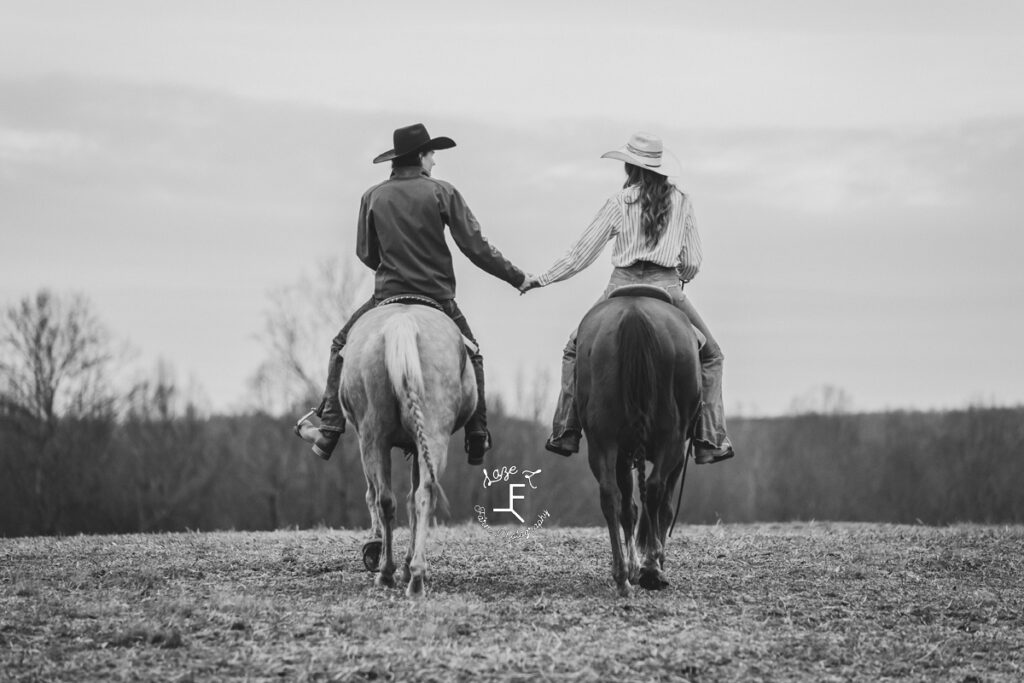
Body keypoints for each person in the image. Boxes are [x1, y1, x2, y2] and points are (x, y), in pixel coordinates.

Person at [296, 123, 529, 465]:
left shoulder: (372, 196)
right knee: (474, 355)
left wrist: (392, 264)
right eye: (432, 154)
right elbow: (475, 247)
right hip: (438, 298)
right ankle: (477, 435)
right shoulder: (442, 192)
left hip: (386, 296)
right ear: (420, 156)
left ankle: (329, 429)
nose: (435, 161)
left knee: (340, 346)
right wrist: (516, 277)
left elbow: (365, 253)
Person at [520, 132, 735, 465]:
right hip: (667, 289)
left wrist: (543, 279)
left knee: (573, 348)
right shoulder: (683, 201)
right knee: (712, 356)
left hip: (620, 284)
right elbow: (692, 260)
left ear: (630, 169)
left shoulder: (618, 202)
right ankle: (709, 437)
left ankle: (566, 428)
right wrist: (682, 275)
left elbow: (580, 255)